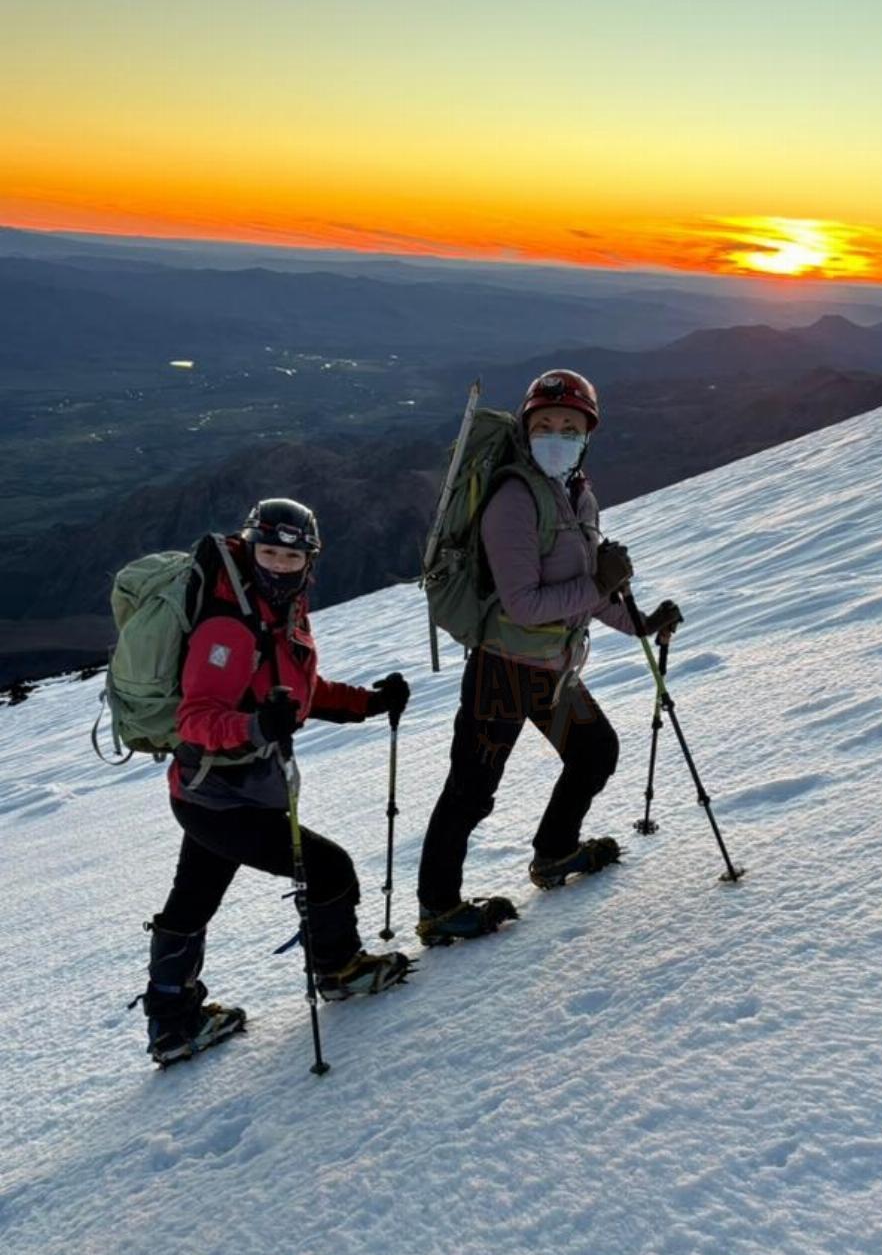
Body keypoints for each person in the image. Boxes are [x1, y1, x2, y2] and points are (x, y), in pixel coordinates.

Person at [137, 497, 411, 1064]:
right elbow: (196, 717)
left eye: (293, 557)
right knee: (329, 869)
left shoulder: (279, 611)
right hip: (221, 796)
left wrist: (368, 703)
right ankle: (338, 969)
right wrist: (254, 727)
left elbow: (297, 693)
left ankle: (172, 1024)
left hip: (217, 791)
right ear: (249, 550)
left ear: (309, 560)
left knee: (192, 901)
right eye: (269, 554)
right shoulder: (229, 625)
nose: (280, 565)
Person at [416, 369, 682, 945]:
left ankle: (555, 852)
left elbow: (586, 592)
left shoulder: (579, 496)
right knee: (471, 789)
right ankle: (438, 908)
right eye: (544, 425)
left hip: (551, 670)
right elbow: (525, 604)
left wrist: (639, 623)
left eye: (569, 426)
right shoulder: (513, 499)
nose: (556, 435)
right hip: (503, 671)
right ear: (525, 430)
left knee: (594, 752)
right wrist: (601, 583)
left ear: (587, 435)